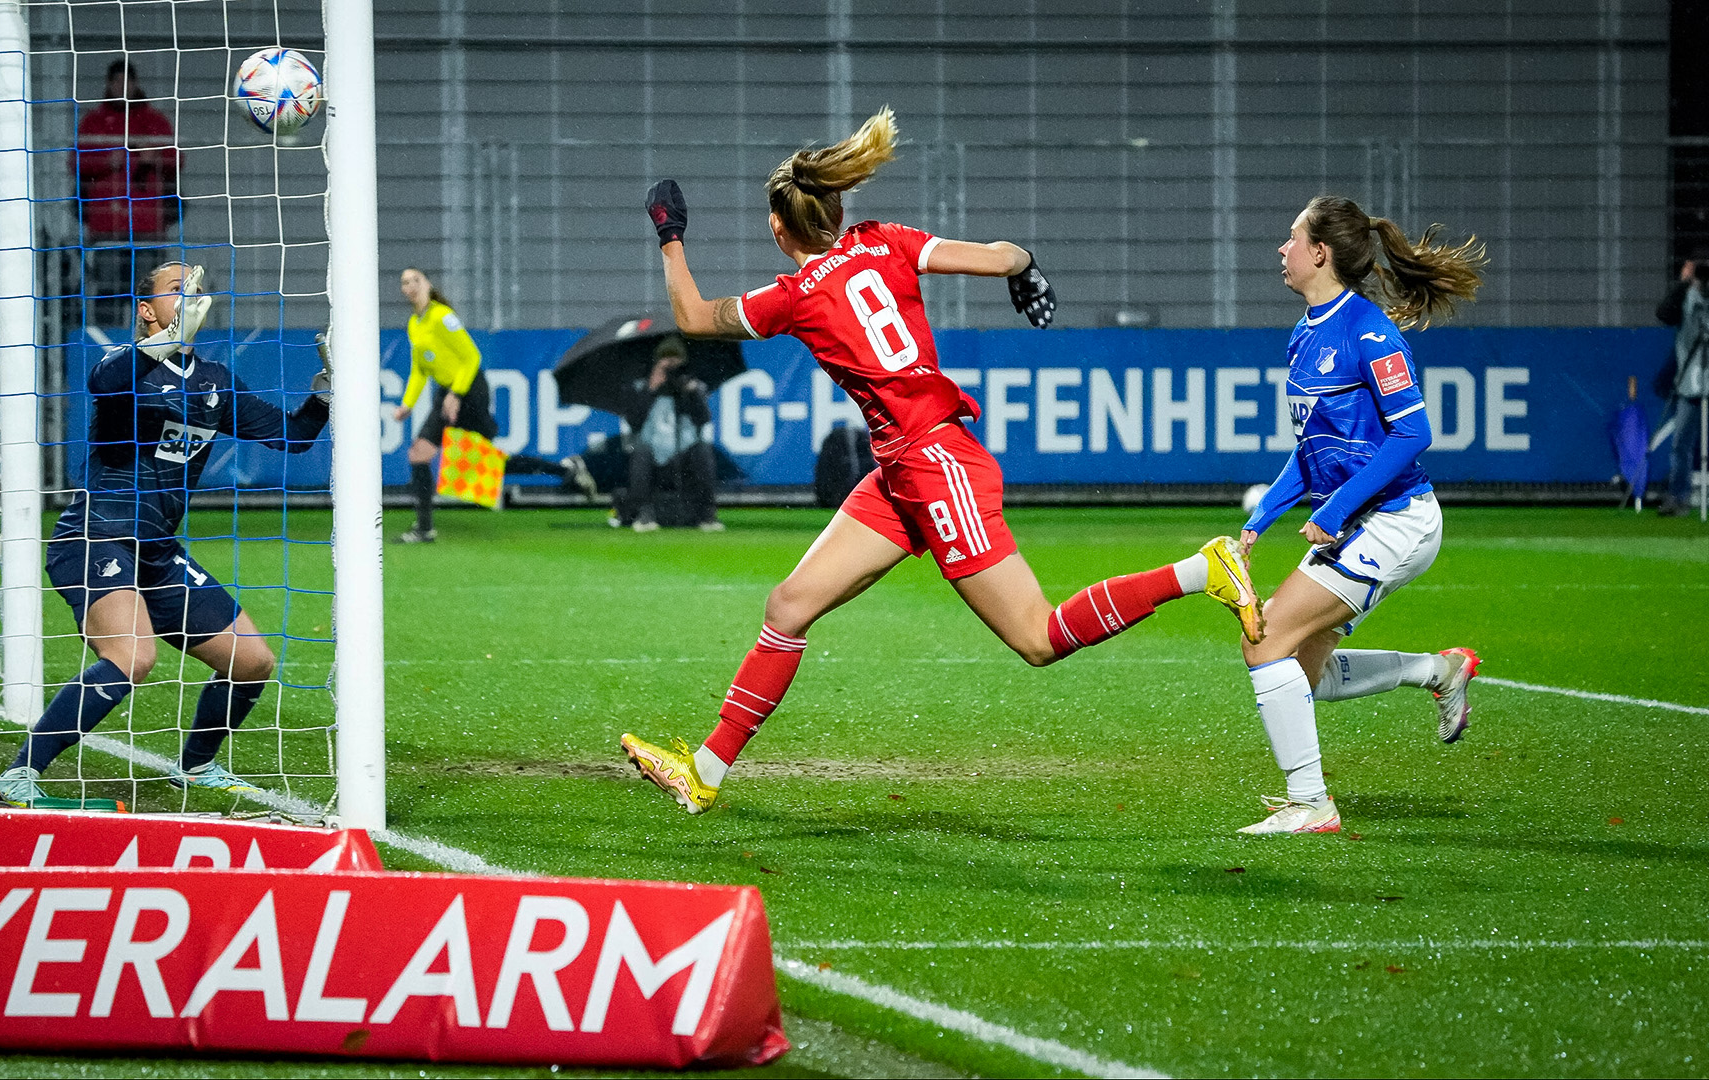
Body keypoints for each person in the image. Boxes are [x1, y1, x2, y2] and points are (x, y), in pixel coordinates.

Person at [619, 107, 1265, 815]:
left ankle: (1203, 569)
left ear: (779, 229)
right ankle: (705, 773)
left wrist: (670, 234)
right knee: (789, 606)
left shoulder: (794, 297)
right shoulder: (883, 240)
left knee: (1038, 638)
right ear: (838, 208)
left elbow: (691, 317)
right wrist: (1028, 271)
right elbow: (1000, 254)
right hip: (904, 472)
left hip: (935, 468)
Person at [0, 262, 333, 807]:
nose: (192, 294)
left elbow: (291, 439)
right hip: (95, 536)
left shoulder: (216, 381)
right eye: (178, 288)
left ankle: (195, 767)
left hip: (157, 549)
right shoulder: (124, 367)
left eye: (196, 288)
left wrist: (324, 395)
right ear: (147, 311)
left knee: (251, 662)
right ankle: (19, 775)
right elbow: (105, 382)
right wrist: (169, 342)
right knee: (133, 658)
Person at [1233, 195, 1489, 836]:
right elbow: (1314, 451)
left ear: (1320, 252)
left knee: (1264, 641)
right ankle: (1438, 669)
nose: (1282, 249)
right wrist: (1260, 520)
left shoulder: (1369, 330)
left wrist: (1337, 508)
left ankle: (1311, 803)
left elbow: (1413, 434)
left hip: (1399, 520)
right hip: (1358, 521)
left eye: (1291, 238)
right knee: (1300, 672)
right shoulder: (1306, 334)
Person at [390, 267, 593, 542]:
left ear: (427, 284)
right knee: (420, 454)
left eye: (416, 280)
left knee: (485, 463)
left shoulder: (442, 316)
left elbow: (471, 358)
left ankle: (566, 470)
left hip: (470, 391)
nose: (410, 285)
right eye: (405, 282)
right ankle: (424, 529)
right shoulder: (416, 323)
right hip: (447, 393)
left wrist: (457, 394)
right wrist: (407, 404)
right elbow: (419, 369)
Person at [76, 59, 180, 327]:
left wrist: (152, 156)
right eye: (117, 81)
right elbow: (76, 162)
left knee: (147, 294)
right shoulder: (93, 122)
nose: (123, 87)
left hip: (147, 227)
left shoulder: (154, 121)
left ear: (135, 84)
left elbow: (176, 160)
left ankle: (150, 350)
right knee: (109, 291)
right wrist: (111, 160)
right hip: (107, 226)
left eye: (127, 81)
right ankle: (107, 348)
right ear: (109, 84)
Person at [618, 336, 721, 532]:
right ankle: (644, 514)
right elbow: (633, 421)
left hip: (683, 455)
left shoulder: (692, 387)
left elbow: (704, 419)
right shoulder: (642, 387)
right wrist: (651, 388)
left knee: (703, 451)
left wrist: (692, 393)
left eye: (677, 363)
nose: (672, 369)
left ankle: (707, 515)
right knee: (640, 454)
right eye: (667, 363)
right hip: (653, 456)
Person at [1655, 251, 1709, 517]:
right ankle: (1679, 498)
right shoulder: (1685, 297)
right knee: (1681, 444)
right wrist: (1684, 283)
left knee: (1682, 445)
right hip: (1691, 382)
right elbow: (1663, 314)